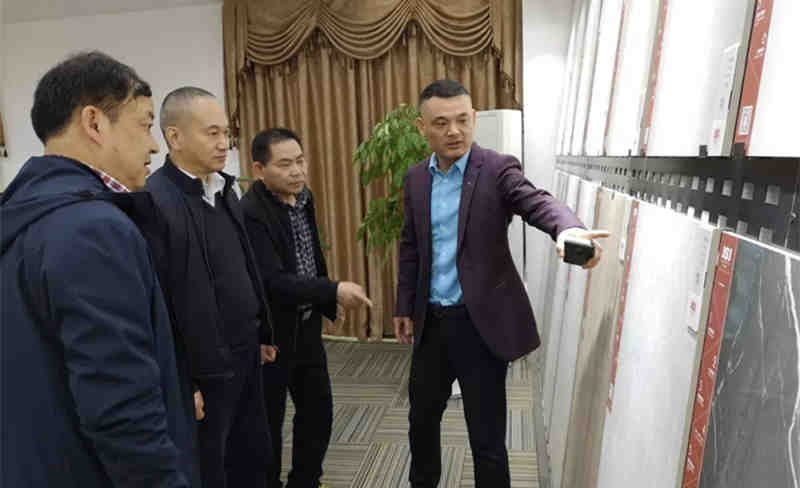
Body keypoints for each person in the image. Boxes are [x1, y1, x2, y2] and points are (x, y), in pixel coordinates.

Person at [394, 79, 609, 488]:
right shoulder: (416, 179)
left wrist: (568, 229)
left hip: (479, 327)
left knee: (487, 438)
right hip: (432, 325)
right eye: (441, 123)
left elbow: (537, 201)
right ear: (422, 127)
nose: (454, 131)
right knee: (421, 422)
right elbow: (410, 246)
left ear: (474, 118)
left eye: (463, 120)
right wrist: (404, 304)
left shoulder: (496, 169)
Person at [1, 51, 196, 487]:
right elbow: (121, 409)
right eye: (145, 125)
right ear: (94, 122)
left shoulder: (24, 215)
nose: (154, 145)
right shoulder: (91, 229)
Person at [146, 86, 277, 488]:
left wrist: (262, 330)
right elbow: (159, 304)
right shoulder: (156, 201)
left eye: (226, 134)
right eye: (212, 133)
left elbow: (244, 266)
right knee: (212, 466)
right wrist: (183, 382)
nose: (224, 144)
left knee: (252, 453)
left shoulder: (224, 188)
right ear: (175, 136)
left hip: (245, 350)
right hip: (204, 367)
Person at [241, 128, 373, 488]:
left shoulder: (304, 198)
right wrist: (333, 290)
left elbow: (311, 254)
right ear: (258, 169)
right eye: (285, 164)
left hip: (307, 326)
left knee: (317, 411)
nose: (297, 171)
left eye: (300, 161)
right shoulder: (251, 213)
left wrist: (326, 300)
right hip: (270, 335)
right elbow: (273, 281)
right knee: (269, 424)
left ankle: (305, 481)